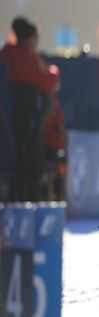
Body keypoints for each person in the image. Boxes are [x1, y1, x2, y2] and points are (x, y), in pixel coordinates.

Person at [0, 16, 59, 201]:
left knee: (19, 160)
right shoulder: (26, 57)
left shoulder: (8, 55)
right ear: (29, 38)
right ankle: (28, 201)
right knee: (30, 163)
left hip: (13, 116)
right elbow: (48, 82)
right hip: (28, 118)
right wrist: (53, 70)